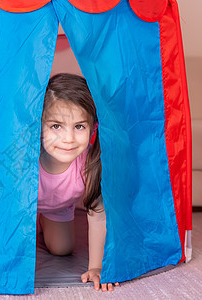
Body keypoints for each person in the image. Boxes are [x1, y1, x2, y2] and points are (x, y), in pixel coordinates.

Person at [38, 73, 119, 292]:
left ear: (93, 128)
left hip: (58, 207)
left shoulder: (90, 162)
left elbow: (97, 214)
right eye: (56, 126)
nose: (68, 139)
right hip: (22, 209)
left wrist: (96, 267)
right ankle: (34, 220)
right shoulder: (24, 158)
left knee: (62, 249)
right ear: (40, 126)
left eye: (79, 127)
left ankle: (44, 221)